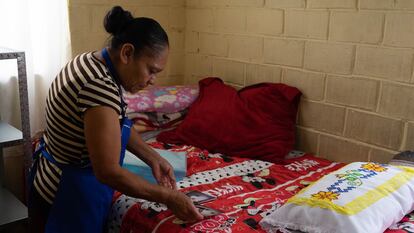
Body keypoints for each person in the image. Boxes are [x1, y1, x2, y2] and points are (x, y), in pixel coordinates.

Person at [28, 5, 203, 233]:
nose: (152, 80)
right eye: (151, 70)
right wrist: (169, 197)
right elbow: (108, 171)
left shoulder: (90, 62)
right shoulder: (99, 87)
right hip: (66, 195)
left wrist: (153, 158)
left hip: (53, 179)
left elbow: (115, 125)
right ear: (127, 53)